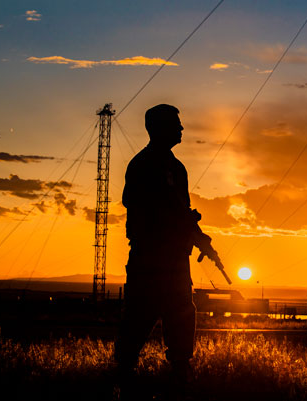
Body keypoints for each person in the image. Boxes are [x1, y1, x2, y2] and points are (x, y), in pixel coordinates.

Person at [114, 104, 220, 396]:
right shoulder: (142, 166)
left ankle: (179, 376)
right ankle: (123, 380)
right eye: (176, 124)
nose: (181, 129)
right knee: (138, 319)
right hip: (149, 259)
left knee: (182, 316)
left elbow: (182, 212)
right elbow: (143, 208)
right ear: (158, 128)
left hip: (175, 261)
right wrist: (182, 223)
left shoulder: (176, 167)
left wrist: (200, 238)